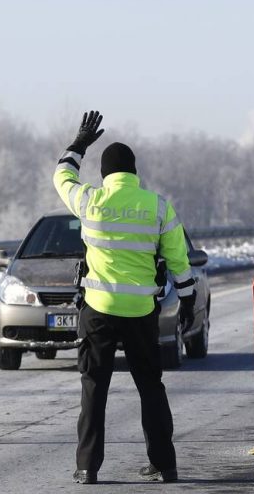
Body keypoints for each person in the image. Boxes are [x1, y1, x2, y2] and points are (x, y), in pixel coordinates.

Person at [53, 111, 196, 485]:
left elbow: (62, 177)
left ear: (105, 174)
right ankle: (165, 465)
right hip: (141, 311)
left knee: (93, 388)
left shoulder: (91, 201)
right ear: (134, 172)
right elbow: (180, 261)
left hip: (98, 310)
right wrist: (188, 300)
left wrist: (78, 145)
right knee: (151, 387)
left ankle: (87, 467)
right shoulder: (158, 206)